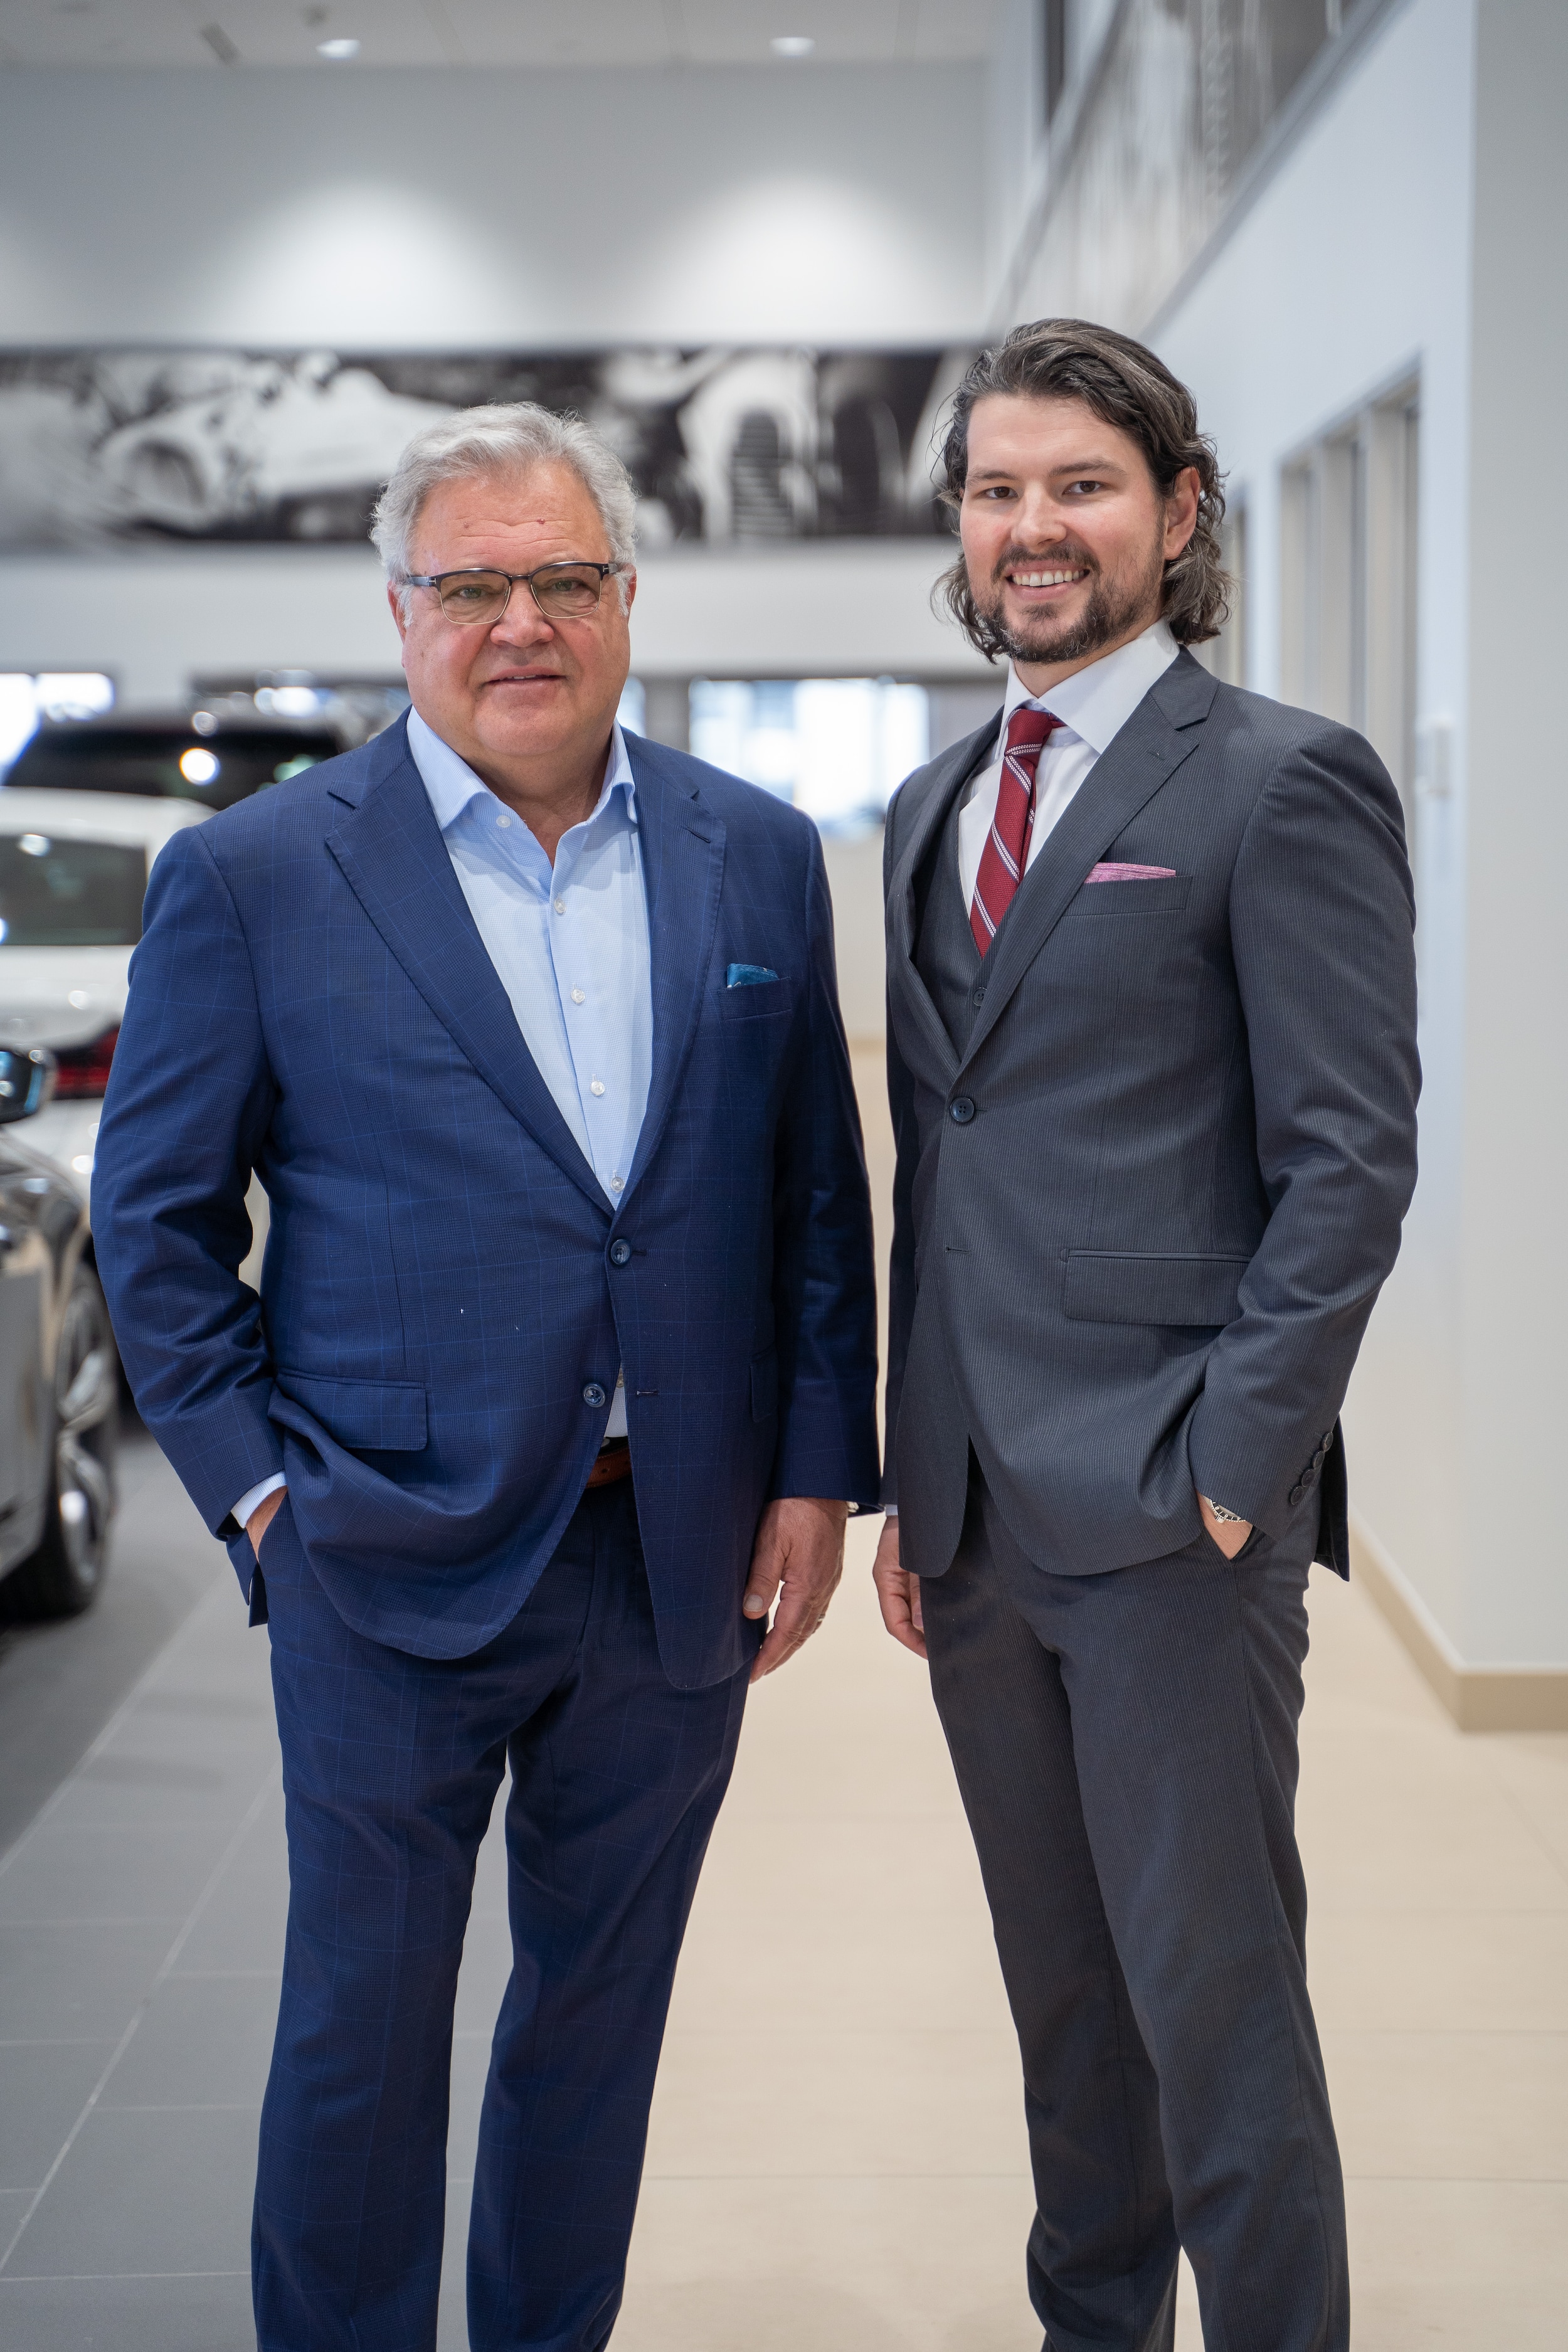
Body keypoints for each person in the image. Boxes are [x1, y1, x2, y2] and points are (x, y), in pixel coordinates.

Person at [92, 403, 879, 2352]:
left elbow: (809, 1195)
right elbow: (158, 1224)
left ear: (625, 598)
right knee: (361, 2031)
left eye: (564, 578)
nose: (521, 622)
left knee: (596, 2024)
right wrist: (260, 1495)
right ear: (400, 613)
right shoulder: (259, 874)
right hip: (375, 1551)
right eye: (472, 586)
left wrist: (811, 1469)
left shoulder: (754, 855)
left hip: (673, 1555)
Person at [872, 320, 1419, 2352]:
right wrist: (914, 1474)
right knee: (1065, 2013)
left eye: (1081, 486)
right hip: (978, 1528)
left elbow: (1347, 1162)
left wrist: (1231, 1470)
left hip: (1173, 1517)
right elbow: (950, 1160)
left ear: (1176, 513)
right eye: (996, 489)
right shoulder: (933, 800)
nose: (1032, 526)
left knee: (1216, 2013)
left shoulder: (1279, 780)